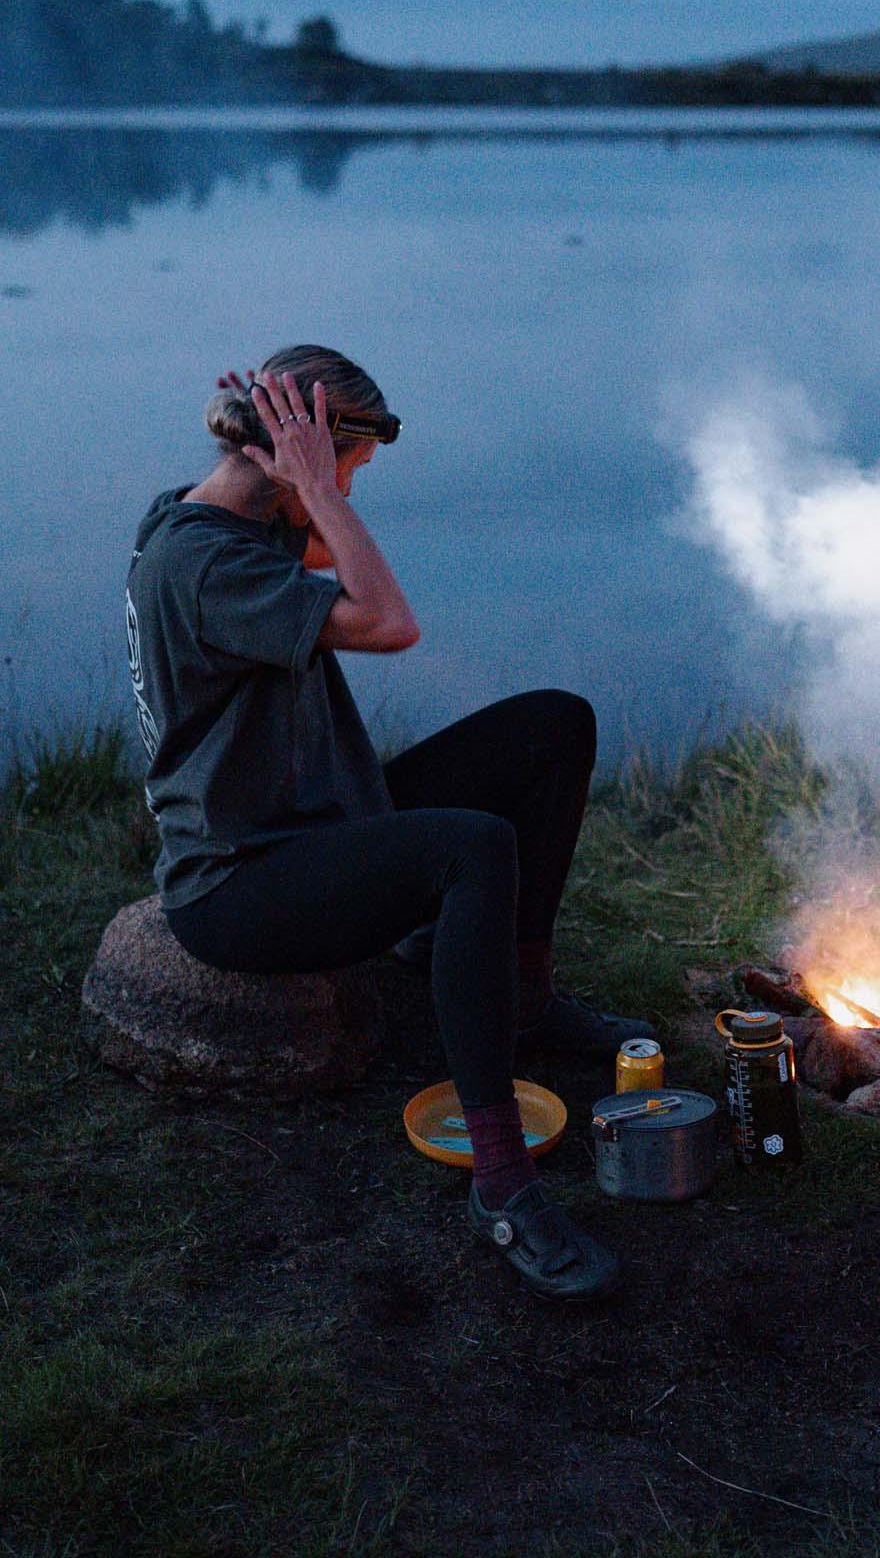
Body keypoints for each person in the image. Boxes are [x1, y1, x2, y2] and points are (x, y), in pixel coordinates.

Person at [125, 344, 652, 1302]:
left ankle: (522, 1006)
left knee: (554, 725)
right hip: (242, 882)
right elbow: (389, 621)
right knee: (471, 849)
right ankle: (502, 1183)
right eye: (353, 463)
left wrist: (305, 478)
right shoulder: (201, 561)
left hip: (320, 820)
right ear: (303, 452)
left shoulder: (220, 516)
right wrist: (319, 482)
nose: (355, 486)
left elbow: (330, 553)